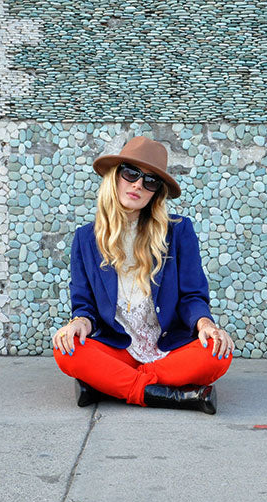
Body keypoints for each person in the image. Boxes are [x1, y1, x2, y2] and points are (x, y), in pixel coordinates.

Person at [51, 136, 234, 414]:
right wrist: (79, 323)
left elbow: (192, 295)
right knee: (67, 348)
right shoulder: (86, 239)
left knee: (218, 354)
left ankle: (106, 385)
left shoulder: (178, 231)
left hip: (168, 348)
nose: (138, 184)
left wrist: (206, 324)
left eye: (150, 181)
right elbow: (84, 304)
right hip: (119, 348)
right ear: (115, 177)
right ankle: (169, 395)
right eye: (131, 173)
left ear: (156, 193)